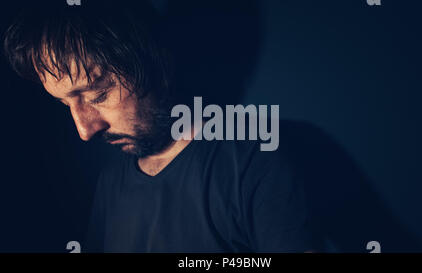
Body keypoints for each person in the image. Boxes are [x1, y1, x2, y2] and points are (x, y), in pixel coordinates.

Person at [3, 0, 316, 252]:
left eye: (98, 94)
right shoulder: (111, 181)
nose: (85, 130)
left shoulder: (253, 160)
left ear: (159, 64)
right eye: (65, 104)